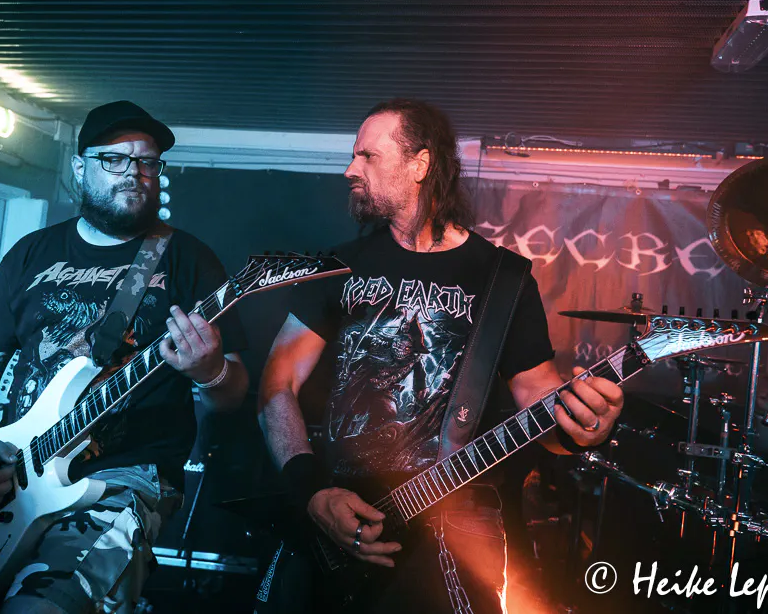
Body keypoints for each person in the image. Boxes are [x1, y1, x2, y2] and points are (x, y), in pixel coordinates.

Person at [256, 98, 624, 613]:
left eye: (367, 156)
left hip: (454, 520)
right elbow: (277, 382)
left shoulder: (503, 278)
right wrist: (313, 491)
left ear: (420, 164)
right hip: (338, 511)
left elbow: (536, 393)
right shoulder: (338, 266)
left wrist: (582, 425)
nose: (349, 170)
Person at [0, 100, 249, 613]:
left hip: (127, 479)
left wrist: (211, 371)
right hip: (19, 471)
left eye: (147, 162)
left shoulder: (188, 259)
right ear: (79, 166)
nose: (134, 173)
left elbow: (235, 392)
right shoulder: (31, 253)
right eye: (114, 159)